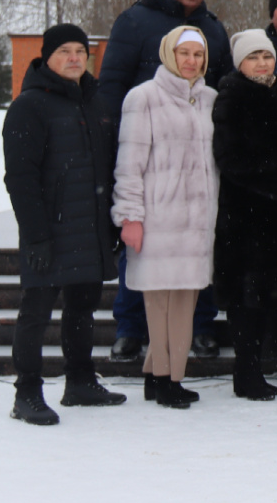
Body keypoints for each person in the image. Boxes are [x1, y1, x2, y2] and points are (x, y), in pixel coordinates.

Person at [98, 0, 229, 362]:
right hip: (149, 151)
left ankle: (201, 326)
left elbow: (222, 87)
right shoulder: (136, 21)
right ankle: (130, 328)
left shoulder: (212, 29)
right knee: (143, 245)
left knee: (198, 244)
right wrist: (109, 139)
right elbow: (112, 82)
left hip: (198, 156)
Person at [3, 25, 126, 425]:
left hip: (88, 228)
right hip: (49, 229)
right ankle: (27, 393)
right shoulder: (29, 105)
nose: (75, 58)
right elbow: (20, 177)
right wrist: (36, 235)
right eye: (65, 51)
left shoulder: (96, 102)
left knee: (82, 308)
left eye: (81, 50)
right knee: (36, 311)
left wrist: (109, 227)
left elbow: (106, 168)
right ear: (47, 57)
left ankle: (80, 382)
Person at [112, 25, 220, 409]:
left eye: (199, 55)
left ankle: (153, 376)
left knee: (186, 303)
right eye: (185, 53)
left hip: (197, 222)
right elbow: (129, 164)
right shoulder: (143, 98)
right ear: (168, 54)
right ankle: (169, 380)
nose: (192, 62)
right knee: (160, 307)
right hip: (158, 218)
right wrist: (130, 216)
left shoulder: (209, 98)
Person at [211, 30, 277, 402]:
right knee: (244, 300)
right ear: (240, 63)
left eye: (267, 56)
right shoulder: (232, 95)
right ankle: (245, 373)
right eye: (254, 57)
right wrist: (275, 176)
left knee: (264, 296)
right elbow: (228, 157)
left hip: (276, 214)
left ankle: (255, 369)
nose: (262, 63)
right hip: (245, 215)